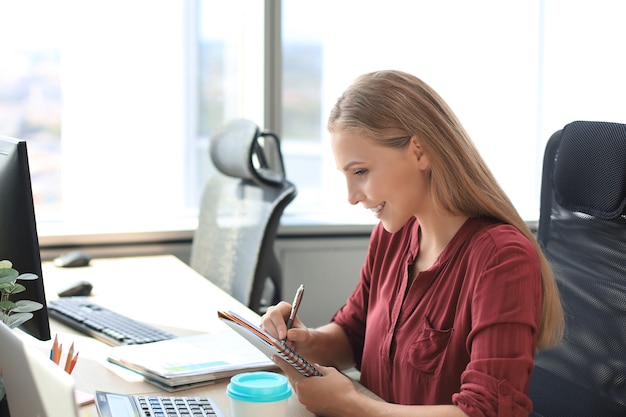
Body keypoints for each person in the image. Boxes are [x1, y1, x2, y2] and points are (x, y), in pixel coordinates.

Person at [260, 70, 564, 417]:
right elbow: (353, 334)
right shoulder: (393, 236)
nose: (351, 197)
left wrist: (351, 406)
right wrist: (304, 342)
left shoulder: (501, 258)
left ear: (419, 151)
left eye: (360, 172)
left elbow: (489, 411)